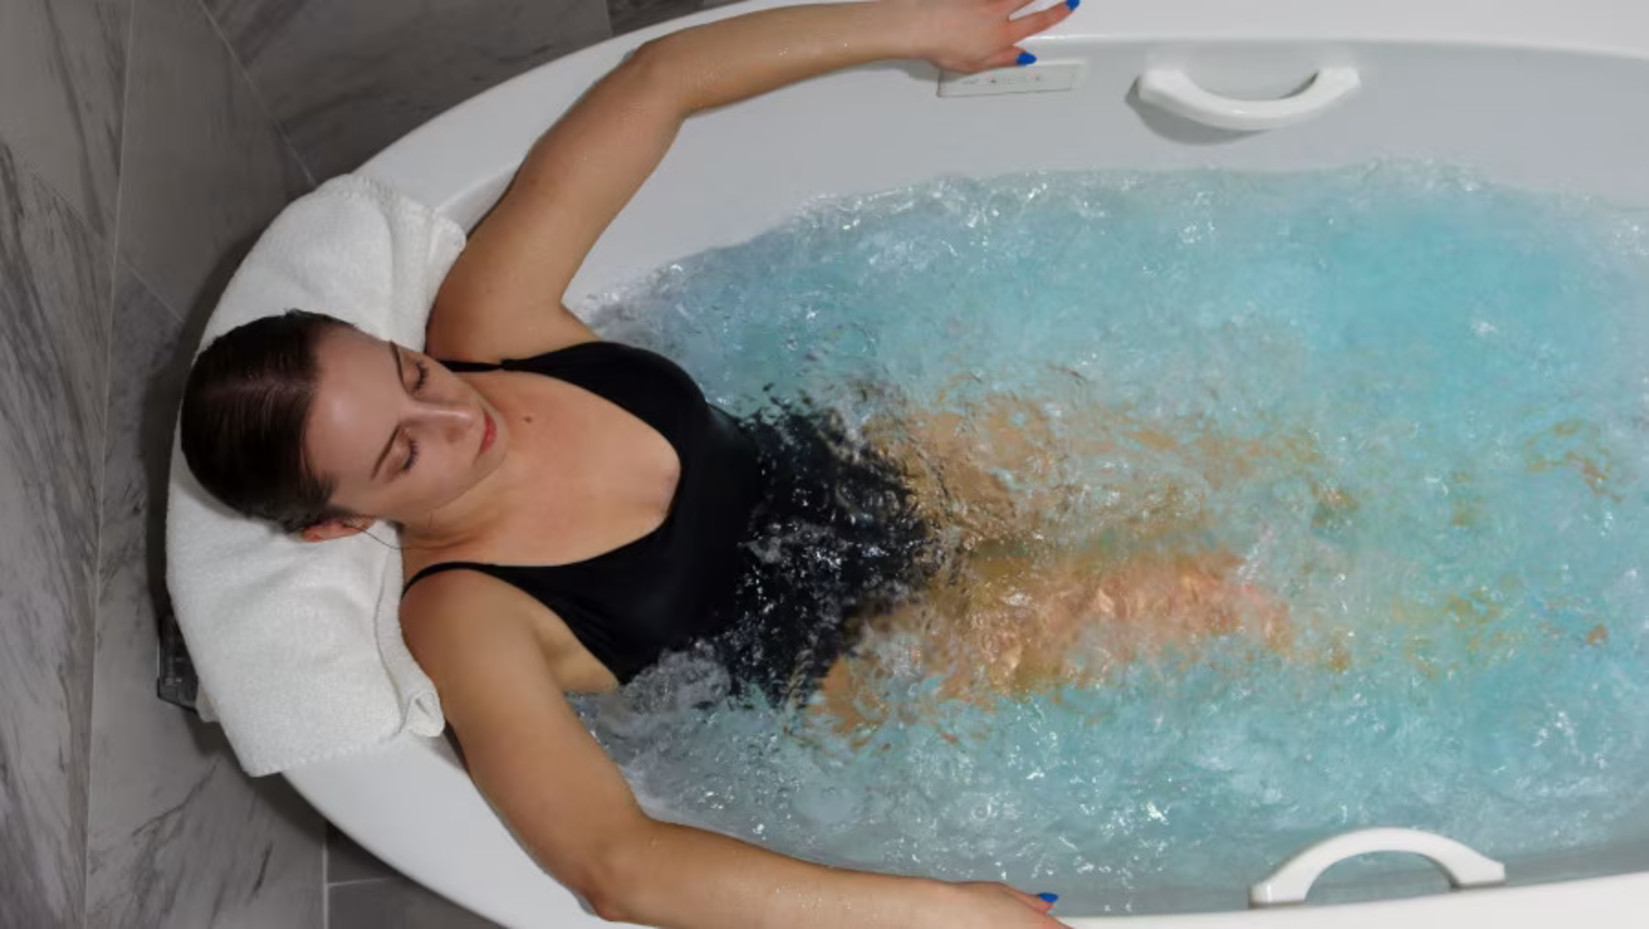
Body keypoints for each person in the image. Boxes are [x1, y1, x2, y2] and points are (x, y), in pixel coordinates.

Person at [180, 1, 1087, 926]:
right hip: (867, 657)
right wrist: (943, 915)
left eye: (409, 371)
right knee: (1209, 600)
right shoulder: (466, 613)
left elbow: (656, 82)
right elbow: (615, 865)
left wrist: (911, 24)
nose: (457, 409)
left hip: (890, 464)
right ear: (342, 522)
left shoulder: (490, 329)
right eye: (405, 450)